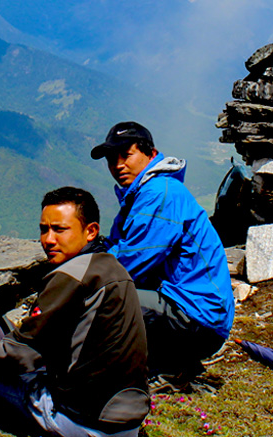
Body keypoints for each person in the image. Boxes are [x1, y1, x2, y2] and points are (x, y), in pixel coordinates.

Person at [0, 187, 149, 437]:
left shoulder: (70, 276)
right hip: (130, 421)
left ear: (90, 231)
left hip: (85, 421)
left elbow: (24, 353)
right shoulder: (114, 268)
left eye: (59, 230)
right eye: (44, 229)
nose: (48, 239)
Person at [90, 121, 234, 377]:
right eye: (112, 159)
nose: (118, 165)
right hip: (193, 312)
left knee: (100, 299)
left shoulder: (159, 194)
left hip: (197, 318)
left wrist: (83, 271)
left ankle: (153, 368)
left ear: (150, 154)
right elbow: (118, 247)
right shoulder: (141, 194)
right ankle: (165, 363)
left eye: (126, 155)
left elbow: (130, 265)